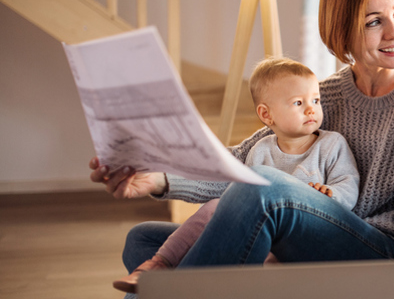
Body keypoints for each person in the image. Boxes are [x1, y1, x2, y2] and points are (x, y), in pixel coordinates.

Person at [90, 0, 394, 295]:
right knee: (144, 240)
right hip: (316, 241)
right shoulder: (322, 96)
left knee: (265, 189)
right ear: (342, 30)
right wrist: (158, 179)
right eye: (374, 21)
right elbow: (240, 163)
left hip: (388, 254)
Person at [110, 57, 360, 293]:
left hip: (302, 237)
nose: (311, 110)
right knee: (155, 232)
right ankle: (158, 264)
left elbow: (348, 184)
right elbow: (238, 194)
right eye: (298, 103)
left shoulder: (331, 144)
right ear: (266, 115)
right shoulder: (260, 150)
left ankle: (179, 287)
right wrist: (159, 178)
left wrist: (333, 194)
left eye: (315, 101)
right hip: (260, 237)